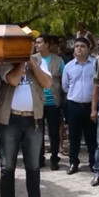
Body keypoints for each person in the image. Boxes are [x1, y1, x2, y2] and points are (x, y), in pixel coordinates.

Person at [0, 50, 52, 197]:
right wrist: (21, 61)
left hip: (33, 119)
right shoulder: (5, 61)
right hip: (10, 119)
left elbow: (47, 82)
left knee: (33, 166)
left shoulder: (39, 61)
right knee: (8, 166)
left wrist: (32, 63)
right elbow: (13, 80)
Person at [62, 37, 97, 175]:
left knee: (91, 137)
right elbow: (65, 87)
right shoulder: (69, 66)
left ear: (88, 48)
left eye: (82, 46)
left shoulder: (95, 64)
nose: (79, 48)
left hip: (90, 106)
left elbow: (98, 86)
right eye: (76, 46)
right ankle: (73, 163)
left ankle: (93, 163)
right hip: (73, 106)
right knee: (73, 136)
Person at [34, 35, 64, 170]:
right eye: (36, 43)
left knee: (53, 132)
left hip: (53, 102)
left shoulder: (58, 61)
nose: (36, 45)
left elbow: (65, 80)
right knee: (38, 132)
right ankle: (39, 158)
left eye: (39, 42)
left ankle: (54, 159)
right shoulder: (33, 59)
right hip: (38, 102)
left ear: (47, 44)